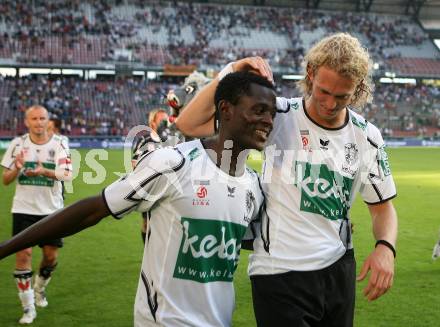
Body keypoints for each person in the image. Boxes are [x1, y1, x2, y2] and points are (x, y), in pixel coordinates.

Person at [0, 71, 277, 327]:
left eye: (272, 113)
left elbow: (247, 241)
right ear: (226, 110)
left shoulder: (253, 185)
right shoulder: (175, 163)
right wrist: (5, 248)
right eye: (259, 110)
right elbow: (95, 208)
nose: (268, 120)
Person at [176, 33, 398, 327]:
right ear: (310, 74)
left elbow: (382, 208)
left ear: (357, 89)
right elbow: (189, 124)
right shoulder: (277, 115)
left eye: (342, 96)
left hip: (338, 271)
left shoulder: (367, 137)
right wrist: (232, 71)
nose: (330, 104)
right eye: (323, 91)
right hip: (278, 272)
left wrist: (385, 247)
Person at [1, 105, 73, 324]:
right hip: (23, 208)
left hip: (51, 210)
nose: (39, 122)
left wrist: (44, 171)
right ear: (27, 122)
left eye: (42, 118)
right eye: (34, 119)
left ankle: (39, 288)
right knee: (23, 256)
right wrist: (17, 168)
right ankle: (28, 308)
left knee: (50, 257)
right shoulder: (17, 144)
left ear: (48, 121)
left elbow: (67, 175)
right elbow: (5, 179)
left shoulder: (60, 143)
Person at [131, 108, 169, 243]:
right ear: (152, 123)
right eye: (162, 120)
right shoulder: (144, 139)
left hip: (168, 188)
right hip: (150, 188)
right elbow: (134, 163)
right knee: (147, 223)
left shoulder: (169, 139)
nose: (166, 123)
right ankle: (147, 249)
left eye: (167, 120)